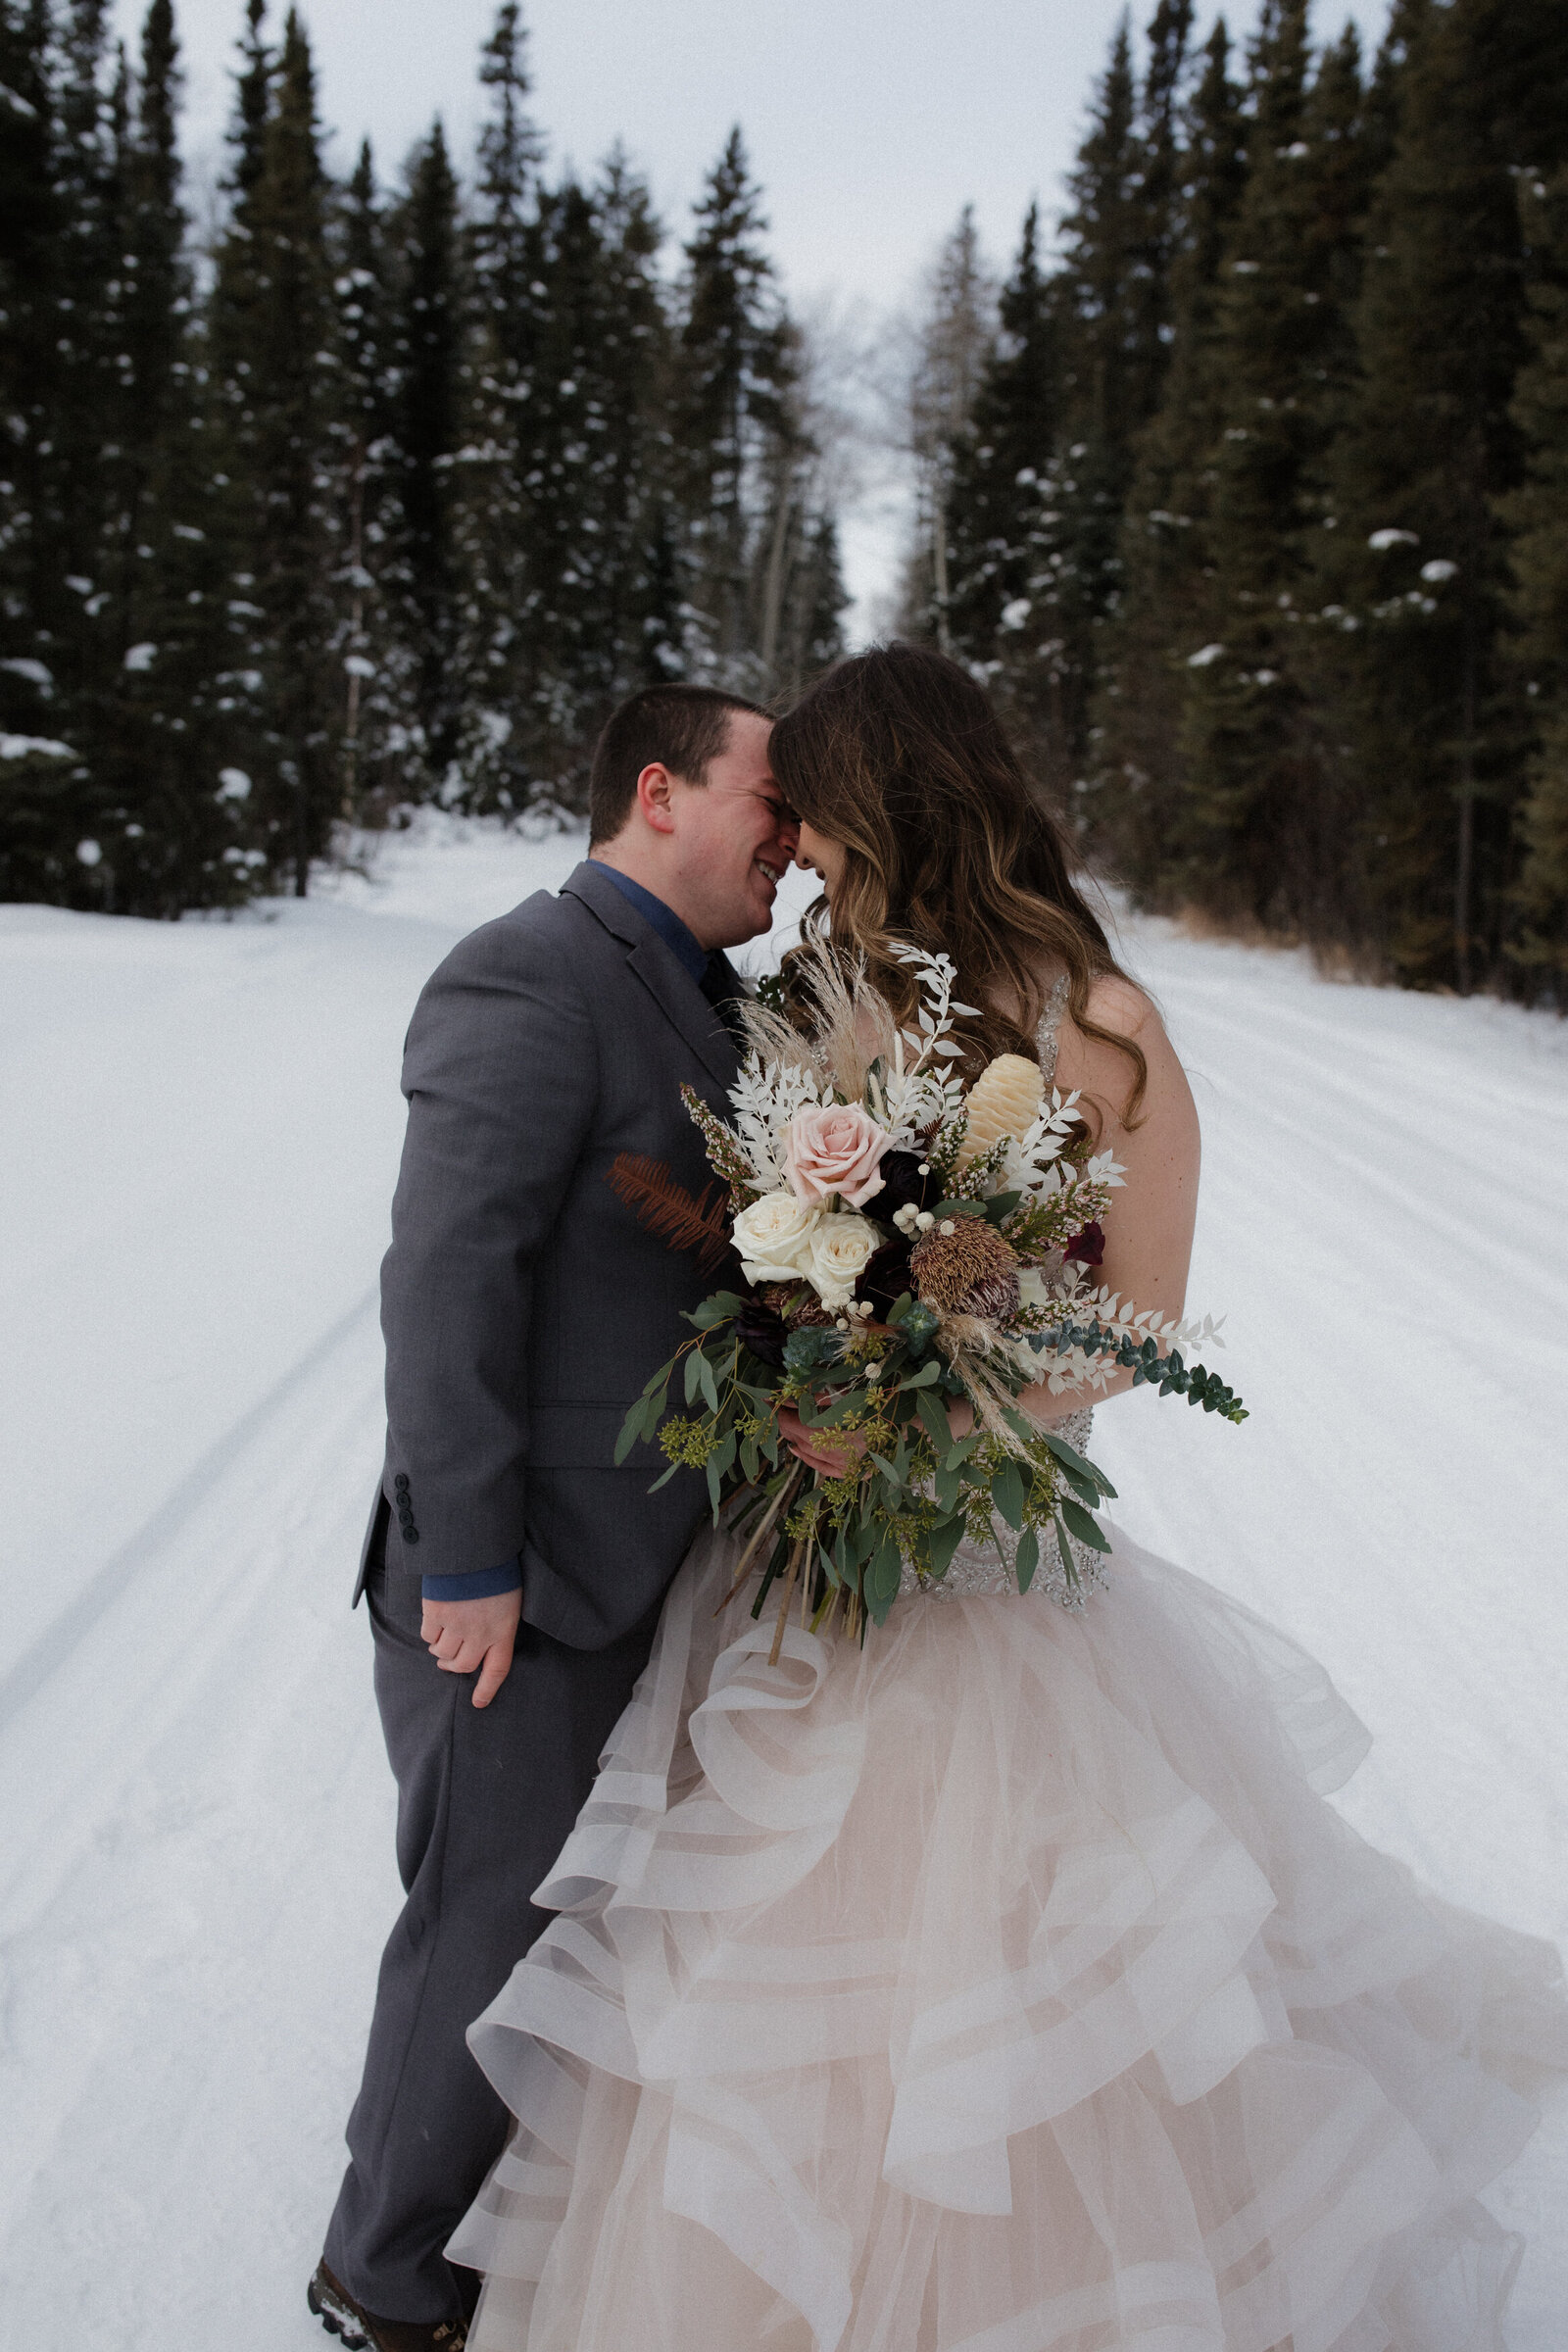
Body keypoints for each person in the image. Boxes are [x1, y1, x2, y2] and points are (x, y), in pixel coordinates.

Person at [447, 644, 1566, 2352]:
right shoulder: (820, 992)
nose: (799, 847)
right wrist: (807, 1343)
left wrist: (929, 1375)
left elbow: (1137, 1324)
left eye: (818, 812)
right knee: (774, 1990)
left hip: (979, 1557)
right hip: (806, 1570)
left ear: (888, 798)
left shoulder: (1105, 1022)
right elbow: (753, 1261)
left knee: (1018, 1990)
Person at [310, 683, 801, 2352]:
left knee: (565, 1936)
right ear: (660, 792)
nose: (791, 845)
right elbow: (446, 1277)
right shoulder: (529, 969)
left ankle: (464, 2228)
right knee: (482, 1937)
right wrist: (466, 1558)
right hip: (525, 1582)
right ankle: (381, 2283)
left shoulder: (716, 1003)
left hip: (661, 1567)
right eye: (771, 801)